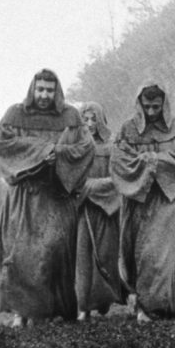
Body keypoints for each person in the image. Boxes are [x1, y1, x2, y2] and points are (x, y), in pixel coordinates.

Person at [0, 68, 95, 327]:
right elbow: (1, 145)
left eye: (49, 90)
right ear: (32, 89)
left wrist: (58, 155)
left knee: (55, 250)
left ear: (56, 91)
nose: (44, 95)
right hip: (25, 195)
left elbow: (86, 147)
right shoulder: (15, 114)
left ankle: (51, 310)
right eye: (40, 89)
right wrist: (41, 152)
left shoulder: (70, 116)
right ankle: (21, 311)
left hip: (56, 194)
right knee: (21, 252)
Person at [111, 82, 175, 322]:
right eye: (147, 107)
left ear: (164, 105)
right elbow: (119, 162)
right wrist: (146, 166)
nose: (151, 112)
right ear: (139, 104)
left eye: (156, 107)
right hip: (137, 199)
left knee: (161, 254)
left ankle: (158, 306)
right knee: (135, 252)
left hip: (165, 200)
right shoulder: (127, 130)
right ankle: (140, 302)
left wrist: (153, 160)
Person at [75, 102, 124, 321]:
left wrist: (91, 186)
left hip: (107, 209)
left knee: (106, 255)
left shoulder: (112, 146)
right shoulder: (77, 146)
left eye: (94, 119)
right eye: (85, 119)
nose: (90, 124)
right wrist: (82, 188)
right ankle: (84, 306)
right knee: (83, 256)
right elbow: (72, 177)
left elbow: (118, 178)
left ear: (101, 120)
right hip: (85, 209)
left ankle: (104, 299)